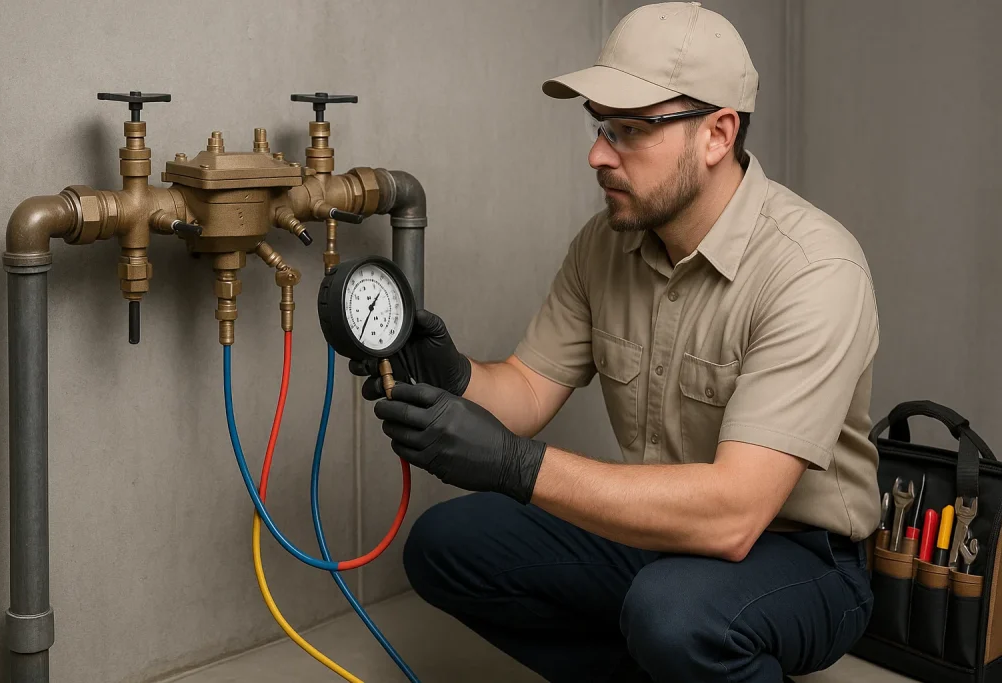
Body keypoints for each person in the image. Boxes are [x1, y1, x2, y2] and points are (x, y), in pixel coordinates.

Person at [350, 3, 880, 681]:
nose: (598, 153)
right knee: (443, 545)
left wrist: (514, 464)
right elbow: (528, 390)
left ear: (718, 134)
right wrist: (455, 377)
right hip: (655, 526)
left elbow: (733, 514)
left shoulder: (812, 271)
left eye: (630, 129)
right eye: (600, 125)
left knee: (677, 615)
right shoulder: (607, 243)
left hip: (805, 556)